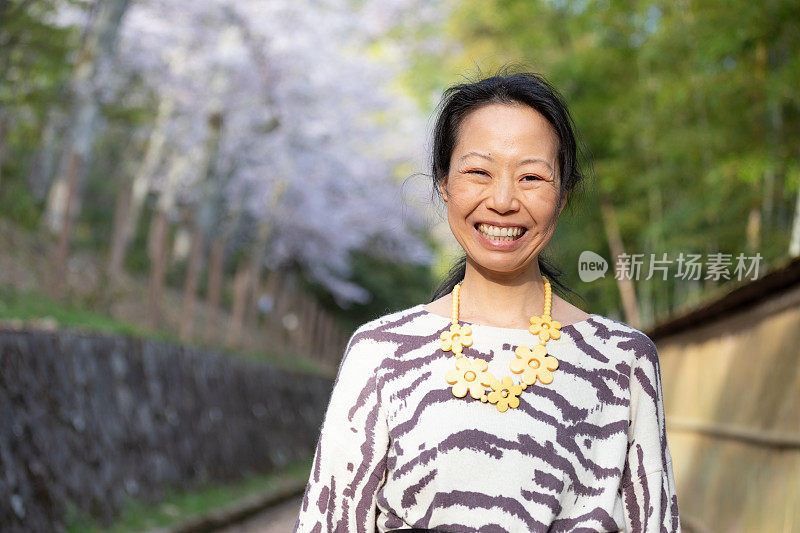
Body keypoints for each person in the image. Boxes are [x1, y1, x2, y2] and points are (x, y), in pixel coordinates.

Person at [294, 70, 680, 532]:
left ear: (563, 194)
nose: (502, 200)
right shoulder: (380, 354)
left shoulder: (622, 362)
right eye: (478, 172)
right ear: (444, 182)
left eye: (532, 177)